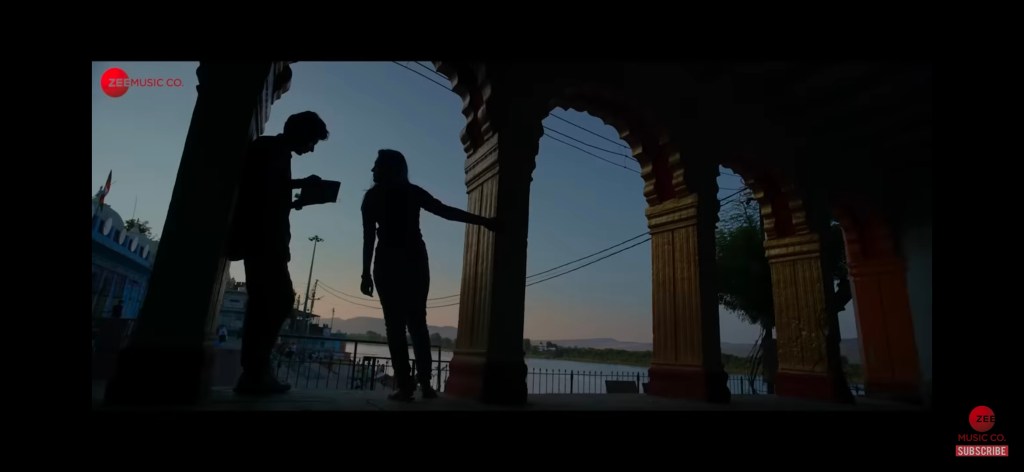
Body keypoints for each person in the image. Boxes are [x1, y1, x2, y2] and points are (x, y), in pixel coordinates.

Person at [359, 149, 498, 401]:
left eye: (376, 165)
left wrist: (365, 274)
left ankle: (405, 386)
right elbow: (445, 211)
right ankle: (425, 384)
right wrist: (483, 221)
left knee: (395, 327)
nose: (372, 169)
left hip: (388, 263)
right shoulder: (411, 192)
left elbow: (369, 239)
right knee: (417, 324)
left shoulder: (372, 198)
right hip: (414, 260)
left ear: (389, 168)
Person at [227, 111, 330, 395]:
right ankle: (256, 371)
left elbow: (269, 192)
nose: (312, 149)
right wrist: (301, 185)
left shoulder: (273, 150)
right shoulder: (270, 149)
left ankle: (255, 371)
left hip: (266, 239)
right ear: (303, 134)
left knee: (265, 303)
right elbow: (261, 190)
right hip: (264, 240)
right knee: (278, 300)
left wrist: (297, 197)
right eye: (312, 142)